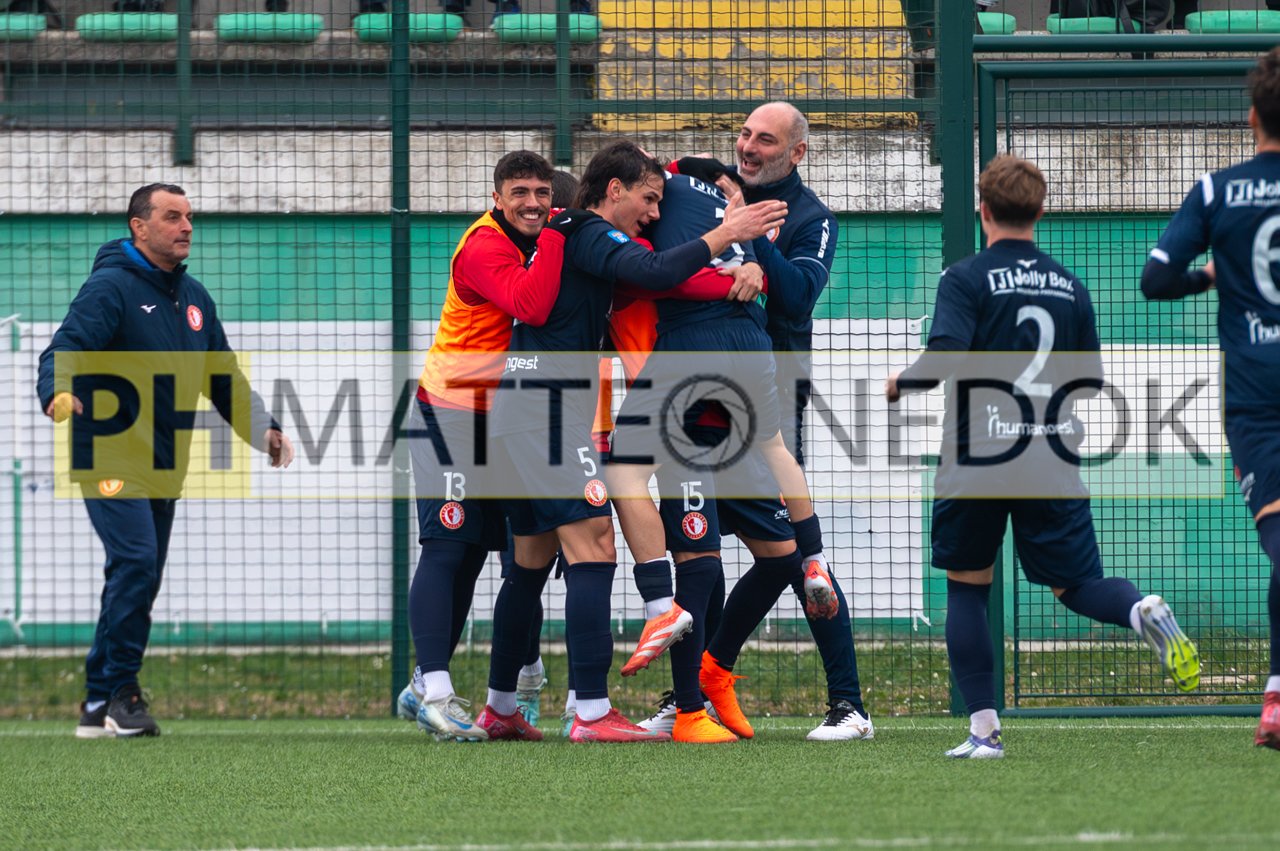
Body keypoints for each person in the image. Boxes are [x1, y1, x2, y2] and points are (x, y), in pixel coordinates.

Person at [887, 155, 1199, 759]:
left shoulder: (965, 277)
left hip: (978, 455)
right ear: (1041, 211)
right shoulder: (1070, 285)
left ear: (983, 209)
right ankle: (1140, 609)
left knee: (967, 588)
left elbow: (945, 355)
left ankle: (984, 733)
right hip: (1050, 452)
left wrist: (902, 382)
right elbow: (1090, 380)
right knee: (1076, 585)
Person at [475, 139, 785, 743]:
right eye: (648, 199)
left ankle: (501, 707)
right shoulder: (588, 229)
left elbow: (660, 277)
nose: (654, 213)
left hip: (524, 408)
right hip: (542, 412)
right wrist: (729, 234)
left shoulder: (579, 236)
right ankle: (594, 710)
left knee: (531, 564)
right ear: (614, 190)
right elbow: (656, 272)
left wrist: (738, 270)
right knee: (594, 544)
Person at [37, 183, 295, 739]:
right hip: (108, 452)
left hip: (163, 460)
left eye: (189, 217)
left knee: (138, 573)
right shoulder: (110, 287)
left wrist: (265, 428)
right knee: (136, 562)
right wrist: (57, 390)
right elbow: (65, 346)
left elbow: (223, 378)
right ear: (139, 226)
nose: (186, 227)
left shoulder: (194, 298)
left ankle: (97, 698)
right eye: (172, 216)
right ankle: (123, 693)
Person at [663, 102, 873, 742]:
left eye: (765, 140)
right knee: (701, 548)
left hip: (768, 401)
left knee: (797, 554)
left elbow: (798, 298)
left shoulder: (811, 218)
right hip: (701, 394)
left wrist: (751, 241)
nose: (748, 147)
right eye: (744, 134)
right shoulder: (708, 188)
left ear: (796, 153)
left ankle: (848, 705)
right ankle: (691, 694)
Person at [399, 150, 569, 742]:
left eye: (542, 193)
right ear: (497, 198)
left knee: (503, 557)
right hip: (451, 413)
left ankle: (499, 688)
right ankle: (435, 691)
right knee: (449, 548)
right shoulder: (485, 246)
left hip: (504, 422)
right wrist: (562, 234)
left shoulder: (535, 239)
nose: (532, 203)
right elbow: (531, 306)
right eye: (519, 192)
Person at [1141, 47, 1280, 751]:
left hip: (1256, 398)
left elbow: (1155, 279)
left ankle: (1277, 696)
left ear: (1252, 117)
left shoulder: (1217, 190)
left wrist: (1208, 278)